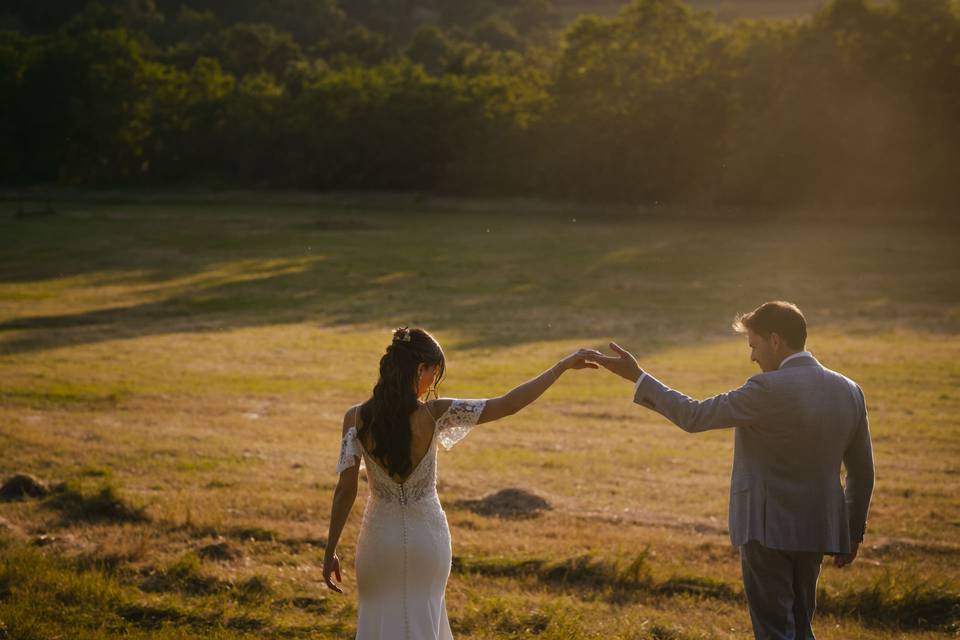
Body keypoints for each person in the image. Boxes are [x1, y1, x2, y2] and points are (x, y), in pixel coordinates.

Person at [586, 301, 875, 640]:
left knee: (774, 630)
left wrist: (638, 377)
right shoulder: (849, 390)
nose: (752, 357)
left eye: (754, 345)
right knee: (800, 626)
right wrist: (852, 532)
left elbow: (695, 416)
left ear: (776, 340)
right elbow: (862, 471)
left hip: (765, 529)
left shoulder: (766, 388)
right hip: (817, 528)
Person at [323, 326, 595, 640]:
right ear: (420, 368)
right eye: (434, 372)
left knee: (379, 624)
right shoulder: (436, 414)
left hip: (378, 544)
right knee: (426, 620)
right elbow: (507, 404)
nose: (433, 381)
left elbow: (346, 489)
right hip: (428, 542)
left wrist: (330, 550)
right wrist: (561, 367)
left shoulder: (355, 418)